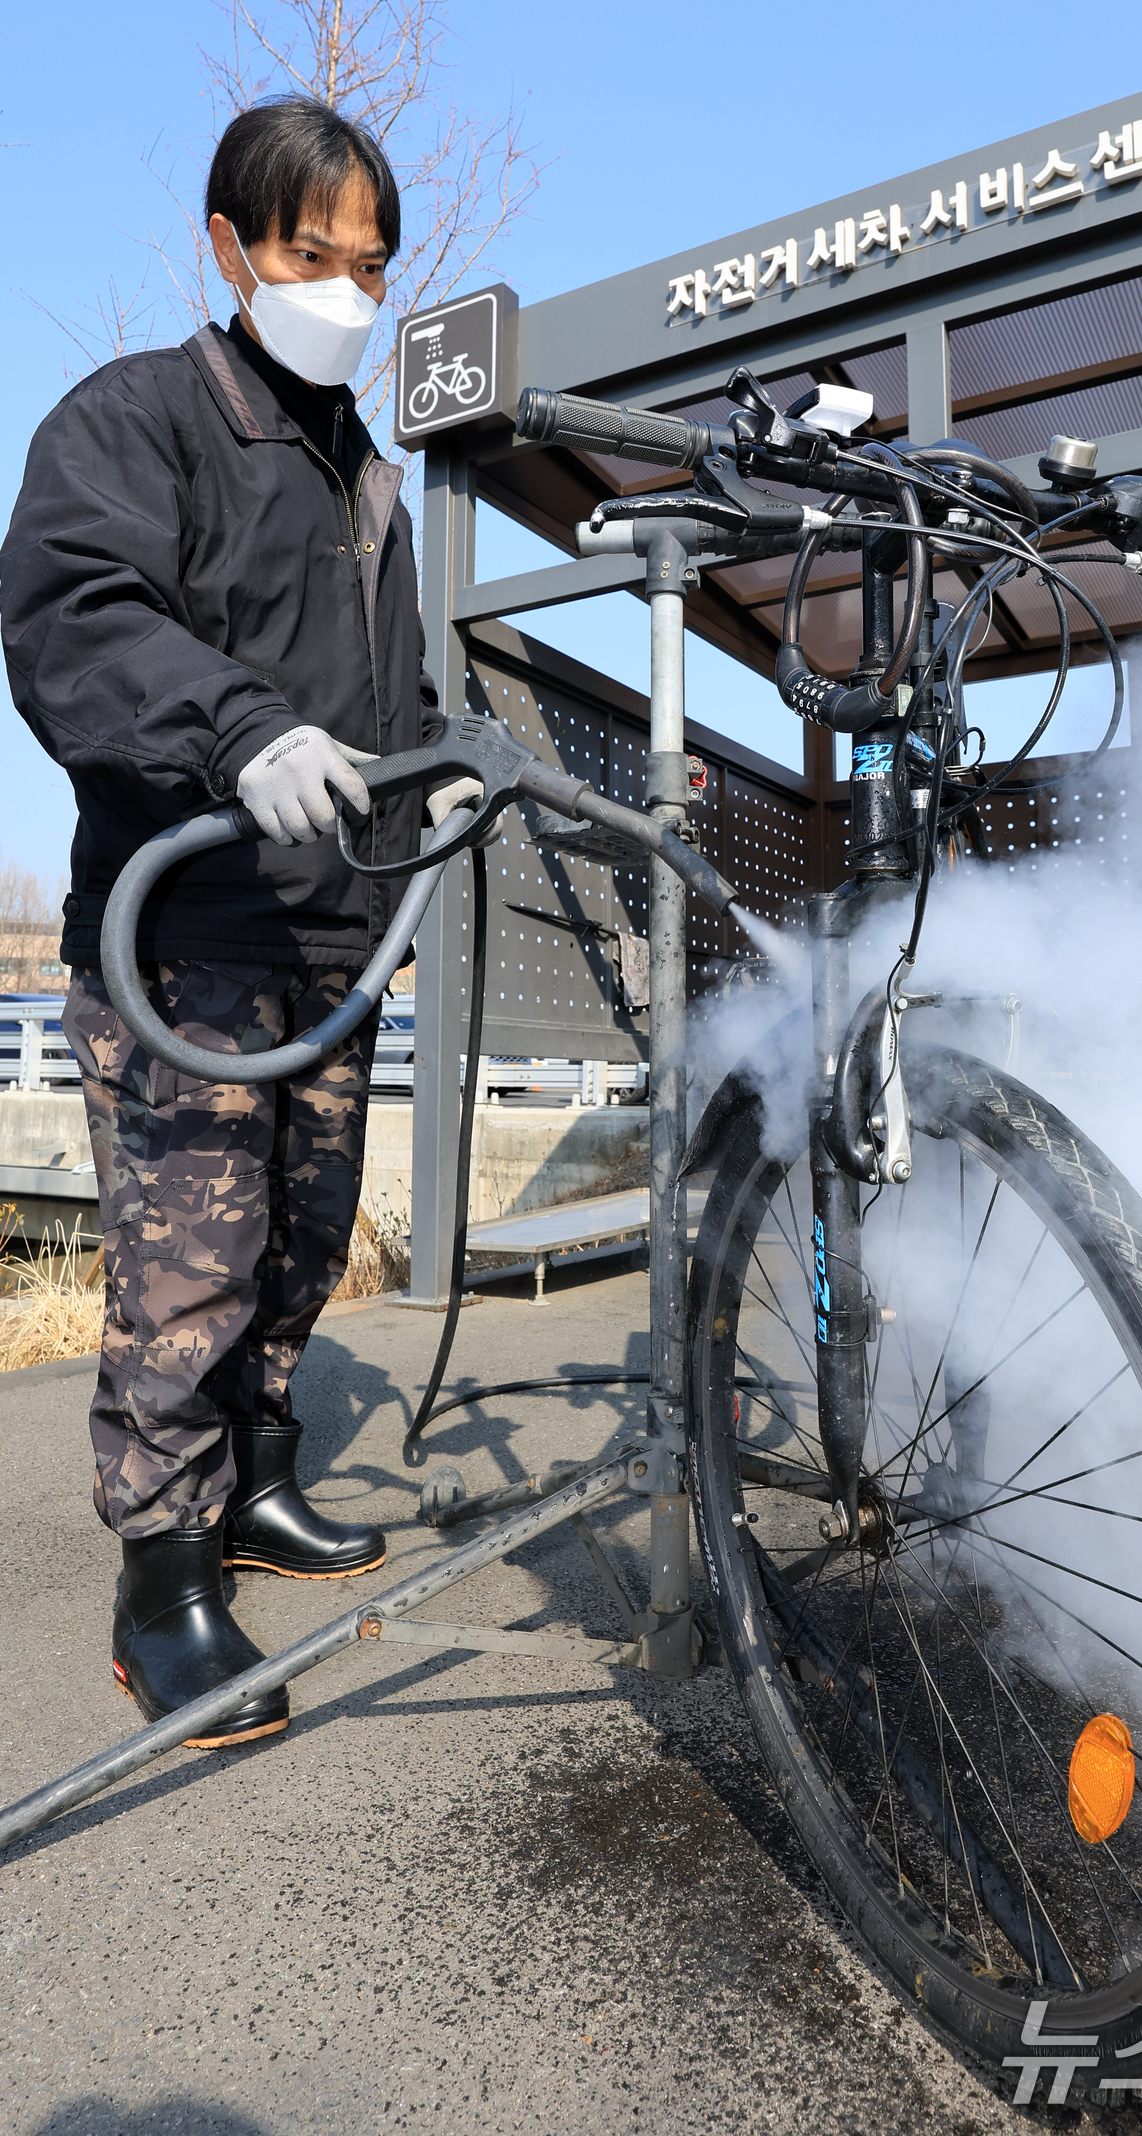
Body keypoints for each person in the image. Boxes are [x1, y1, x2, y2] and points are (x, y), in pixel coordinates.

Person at [0, 97, 476, 1748]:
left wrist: (432, 807)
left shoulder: (370, 483)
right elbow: (74, 614)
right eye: (305, 254)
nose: (341, 290)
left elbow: (398, 695)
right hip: (183, 930)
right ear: (229, 249)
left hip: (328, 946)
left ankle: (258, 1487)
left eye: (367, 263)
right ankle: (164, 1580)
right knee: (181, 1268)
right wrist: (238, 732)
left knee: (295, 1249)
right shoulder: (136, 422)